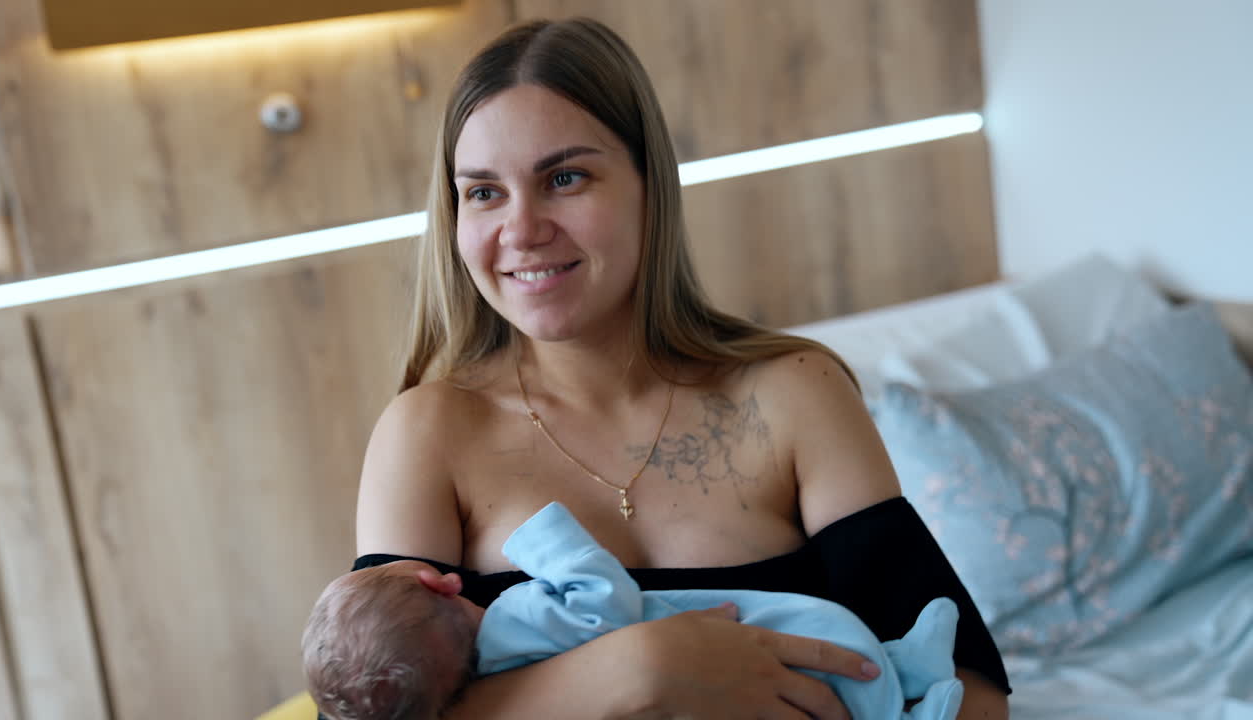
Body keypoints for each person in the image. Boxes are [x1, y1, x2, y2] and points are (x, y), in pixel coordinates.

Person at [351, 16, 1011, 720]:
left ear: (648, 184)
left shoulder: (794, 394)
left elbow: (970, 688)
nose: (521, 230)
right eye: (483, 192)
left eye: (565, 177)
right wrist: (637, 671)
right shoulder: (428, 434)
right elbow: (368, 711)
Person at [304, 501, 965, 720]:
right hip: (790, 637)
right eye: (482, 190)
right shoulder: (519, 616)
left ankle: (906, 667)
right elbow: (605, 597)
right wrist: (544, 542)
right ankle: (906, 678)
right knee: (837, 646)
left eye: (565, 177)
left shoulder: (484, 672)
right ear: (442, 583)